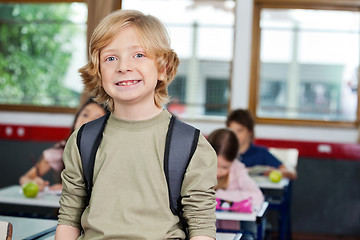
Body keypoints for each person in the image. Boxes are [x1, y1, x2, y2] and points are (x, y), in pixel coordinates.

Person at [55, 9, 217, 240]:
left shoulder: (190, 145)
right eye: (110, 58)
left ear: (163, 68)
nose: (123, 67)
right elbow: (69, 218)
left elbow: (201, 227)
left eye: (138, 55)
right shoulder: (83, 139)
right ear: (99, 72)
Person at [19, 99, 108, 191]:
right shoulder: (62, 149)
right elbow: (26, 178)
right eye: (85, 115)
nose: (87, 121)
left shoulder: (110, 151)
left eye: (97, 119)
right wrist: (33, 182)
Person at [207, 128, 264, 239]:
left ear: (232, 161)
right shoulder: (197, 167)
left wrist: (218, 195)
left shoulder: (237, 170)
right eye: (214, 164)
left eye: (224, 167)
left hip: (230, 234)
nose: (218, 171)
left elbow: (257, 197)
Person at [226, 109, 297, 180]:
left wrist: (277, 172)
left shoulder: (261, 153)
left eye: (239, 130)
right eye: (231, 131)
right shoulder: (224, 152)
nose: (234, 135)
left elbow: (292, 173)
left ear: (250, 131)